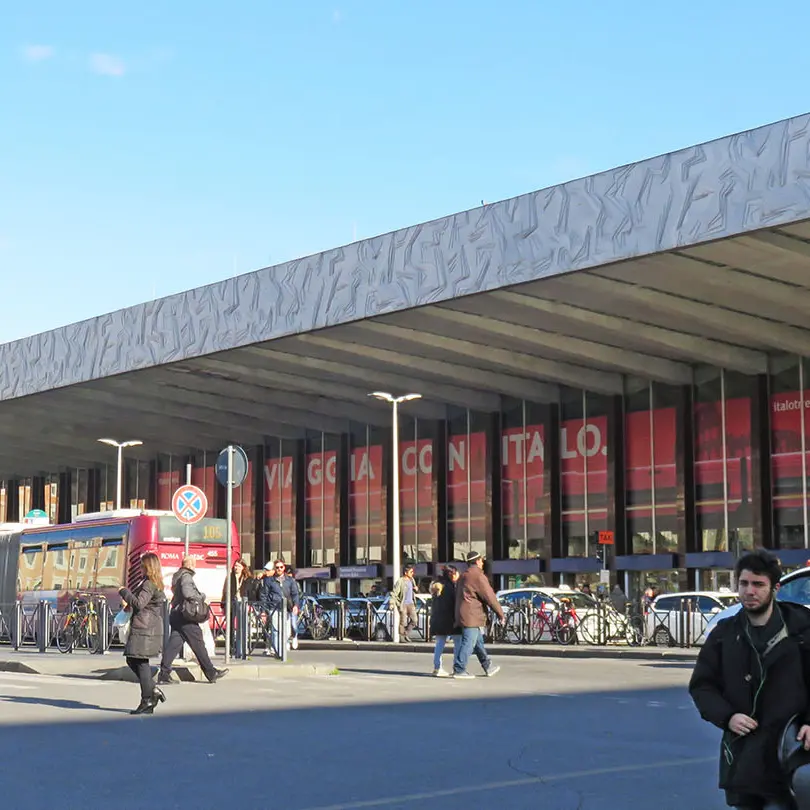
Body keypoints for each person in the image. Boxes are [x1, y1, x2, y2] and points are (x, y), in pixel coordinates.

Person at [689, 549, 810, 810]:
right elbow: (702, 686)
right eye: (744, 583)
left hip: (792, 751)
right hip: (744, 759)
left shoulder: (801, 627)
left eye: (758, 584)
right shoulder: (724, 633)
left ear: (775, 588)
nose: (749, 591)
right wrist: (728, 716)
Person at [157, 555, 228, 685]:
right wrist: (202, 596)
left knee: (174, 645)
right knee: (198, 643)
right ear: (190, 565)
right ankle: (211, 672)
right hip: (186, 615)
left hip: (176, 613)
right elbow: (188, 593)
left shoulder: (177, 575)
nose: (194, 567)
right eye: (194, 565)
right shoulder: (186, 576)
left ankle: (164, 674)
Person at [118, 552, 168, 715]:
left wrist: (124, 592)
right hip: (149, 626)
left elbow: (139, 603)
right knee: (135, 660)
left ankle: (148, 697)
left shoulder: (148, 583)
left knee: (138, 661)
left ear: (148, 567)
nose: (139, 568)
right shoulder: (155, 582)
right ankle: (151, 694)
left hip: (144, 627)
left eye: (142, 565)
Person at [453, 551, 504, 679]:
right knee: (469, 642)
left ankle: (487, 666)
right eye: (481, 560)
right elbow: (490, 596)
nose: (482, 563)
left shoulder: (464, 575)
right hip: (472, 615)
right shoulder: (478, 576)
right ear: (477, 561)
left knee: (478, 642)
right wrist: (500, 613)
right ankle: (459, 669)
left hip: (465, 613)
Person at [429, 565, 460, 677]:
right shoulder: (451, 587)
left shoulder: (437, 584)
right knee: (458, 642)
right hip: (450, 619)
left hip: (437, 618)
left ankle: (437, 668)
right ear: (452, 574)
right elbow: (454, 603)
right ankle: (457, 667)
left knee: (439, 643)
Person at [221, 557, 254, 657]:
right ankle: (231, 649)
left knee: (242, 627)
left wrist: (251, 605)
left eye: (239, 566)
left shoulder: (247, 578)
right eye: (235, 566)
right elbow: (225, 591)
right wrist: (223, 605)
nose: (236, 568)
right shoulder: (230, 577)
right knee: (230, 626)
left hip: (243, 603)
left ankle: (242, 649)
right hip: (231, 603)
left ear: (243, 567)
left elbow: (250, 592)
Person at [268, 559, 301, 650]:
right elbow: (265, 594)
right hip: (274, 607)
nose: (279, 569)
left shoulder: (290, 580)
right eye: (277, 567)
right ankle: (278, 650)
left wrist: (295, 605)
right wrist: (266, 608)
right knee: (275, 630)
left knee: (287, 631)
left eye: (281, 567)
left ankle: (285, 643)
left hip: (287, 608)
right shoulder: (270, 580)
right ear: (275, 568)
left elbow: (295, 594)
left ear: (284, 568)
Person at [258, 565, 285, 656]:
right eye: (265, 570)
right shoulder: (264, 579)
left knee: (283, 630)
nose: (266, 572)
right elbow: (262, 594)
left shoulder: (283, 579)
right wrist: (263, 610)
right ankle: (273, 648)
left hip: (282, 607)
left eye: (268, 570)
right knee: (272, 629)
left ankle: (277, 647)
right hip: (270, 607)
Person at [391, 564, 418, 642]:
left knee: (414, 620)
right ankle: (402, 637)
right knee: (403, 621)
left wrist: (415, 589)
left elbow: (413, 589)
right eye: (411, 572)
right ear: (406, 572)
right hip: (403, 604)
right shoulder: (400, 581)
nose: (412, 573)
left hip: (411, 603)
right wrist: (392, 603)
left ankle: (406, 633)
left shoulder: (412, 580)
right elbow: (394, 593)